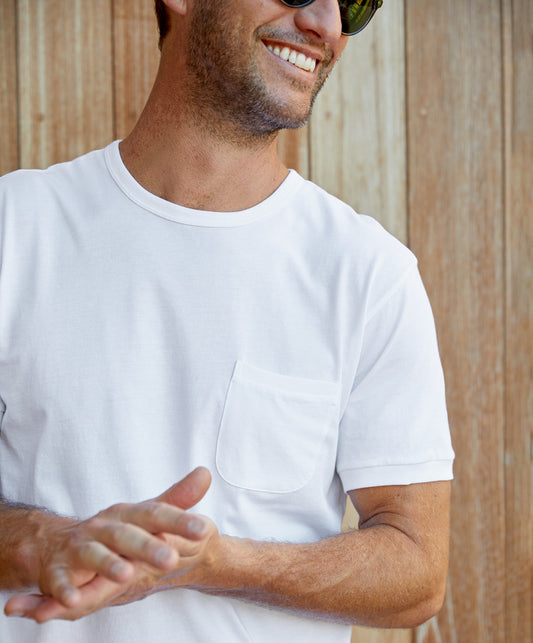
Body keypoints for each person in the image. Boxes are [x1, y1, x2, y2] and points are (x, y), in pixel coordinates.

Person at [0, 0, 454, 641]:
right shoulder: (14, 230)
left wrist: (211, 564)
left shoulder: (369, 276)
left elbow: (418, 568)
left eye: (353, 4)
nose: (325, 24)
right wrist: (38, 544)